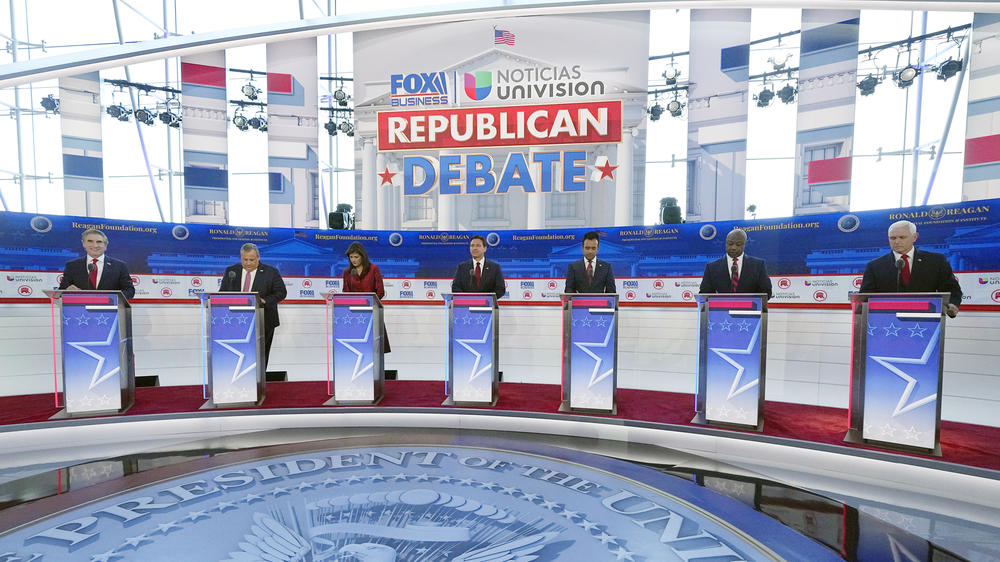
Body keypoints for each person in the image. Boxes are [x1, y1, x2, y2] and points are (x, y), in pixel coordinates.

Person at [860, 220, 962, 318]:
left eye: (902, 237)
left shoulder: (936, 261)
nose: (897, 241)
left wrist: (952, 304)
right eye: (893, 238)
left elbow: (952, 289)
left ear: (915, 237)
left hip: (926, 321)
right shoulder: (874, 266)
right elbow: (865, 297)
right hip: (886, 322)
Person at [220, 243, 287, 368]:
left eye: (252, 259)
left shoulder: (271, 272)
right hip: (236, 320)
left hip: (264, 320)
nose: (248, 263)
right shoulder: (231, 271)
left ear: (258, 257)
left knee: (261, 355)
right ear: (241, 258)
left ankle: (259, 382)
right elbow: (222, 293)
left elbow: (281, 293)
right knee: (239, 353)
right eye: (245, 259)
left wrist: (265, 301)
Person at [59, 228, 135, 300]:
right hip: (80, 311)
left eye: (99, 242)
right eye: (90, 241)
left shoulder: (120, 266)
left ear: (105, 246)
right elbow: (61, 291)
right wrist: (67, 291)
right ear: (83, 244)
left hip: (109, 311)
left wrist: (112, 299)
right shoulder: (72, 266)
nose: (95, 245)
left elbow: (130, 290)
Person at [342, 241, 390, 353]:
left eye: (356, 257)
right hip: (355, 313)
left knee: (375, 349)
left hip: (372, 311)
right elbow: (346, 291)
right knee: (359, 348)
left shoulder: (374, 269)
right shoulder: (347, 272)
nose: (353, 260)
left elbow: (380, 292)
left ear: (363, 257)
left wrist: (369, 303)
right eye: (351, 257)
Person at [699, 228, 773, 298]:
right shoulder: (712, 267)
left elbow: (766, 292)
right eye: (730, 244)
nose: (733, 247)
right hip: (722, 310)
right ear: (725, 243)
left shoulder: (758, 265)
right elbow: (704, 294)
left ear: (744, 245)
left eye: (738, 244)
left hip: (749, 310)